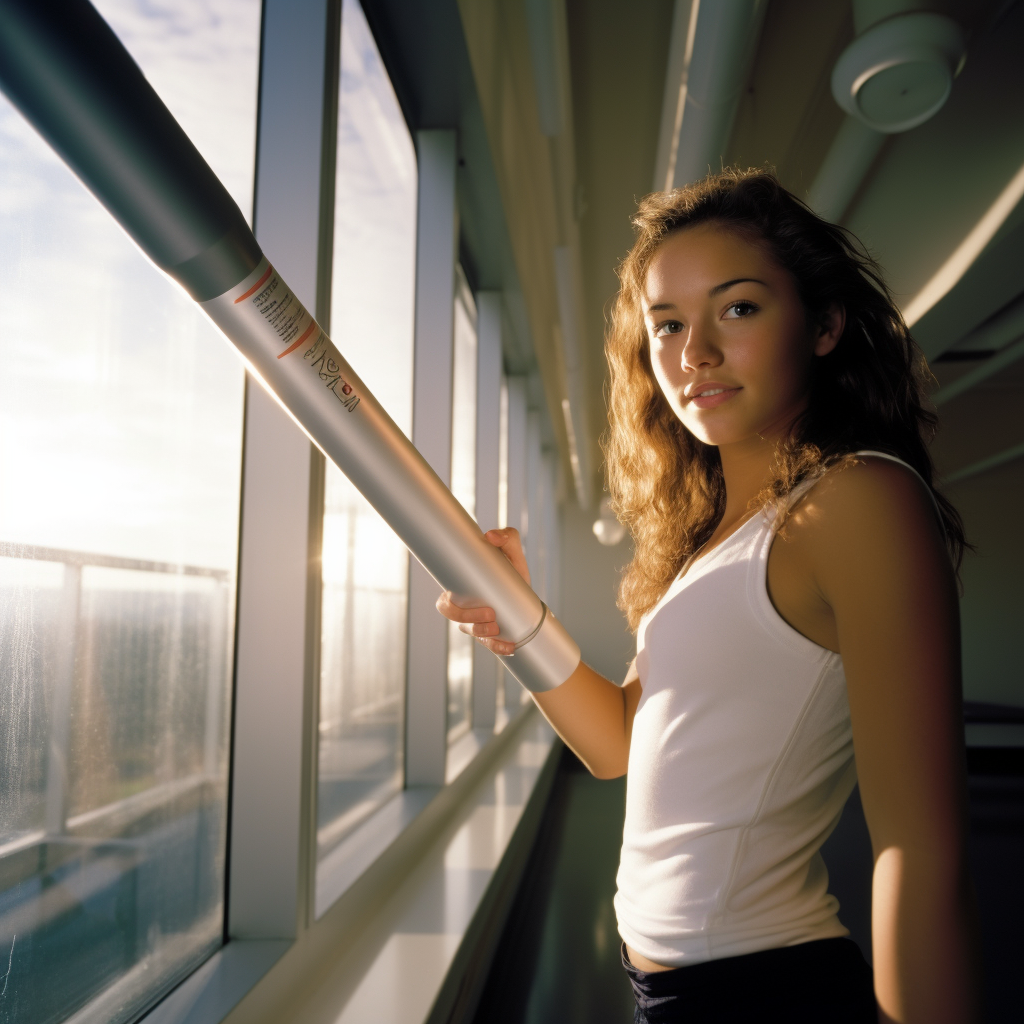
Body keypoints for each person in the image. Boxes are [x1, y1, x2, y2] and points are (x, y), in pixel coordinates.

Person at [436, 168, 979, 1023]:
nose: (695, 354)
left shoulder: (858, 502)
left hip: (761, 994)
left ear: (826, 324)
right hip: (675, 992)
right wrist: (517, 619)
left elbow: (919, 848)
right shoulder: (713, 542)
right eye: (667, 325)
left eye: (739, 308)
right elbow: (620, 744)